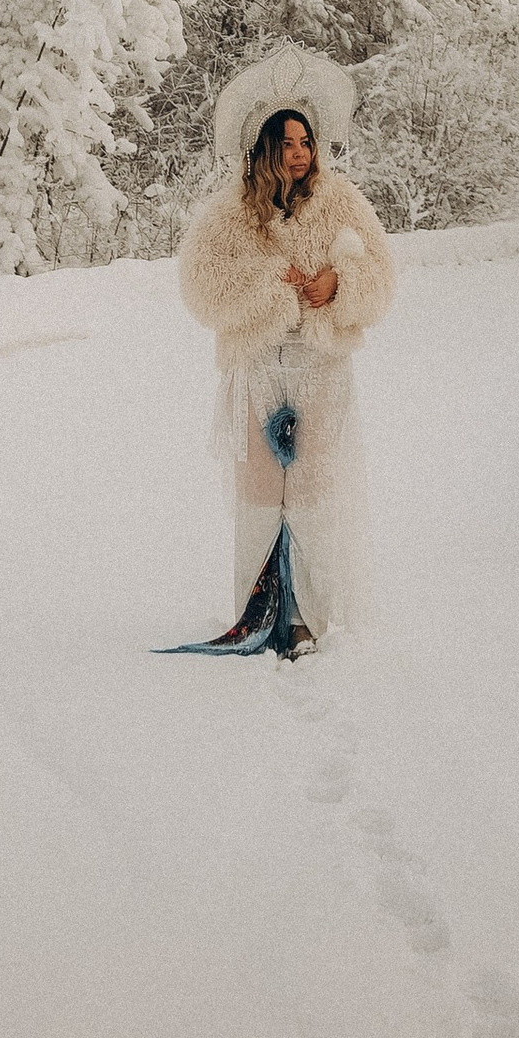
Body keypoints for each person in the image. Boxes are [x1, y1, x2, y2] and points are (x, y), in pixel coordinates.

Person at [167, 44, 396, 660]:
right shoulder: (231, 210)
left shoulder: (341, 199)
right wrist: (273, 282)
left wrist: (337, 285)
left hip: (321, 367)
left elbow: (381, 272)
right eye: (288, 143)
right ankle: (258, 610)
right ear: (265, 149)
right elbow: (200, 282)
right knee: (265, 490)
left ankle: (307, 617)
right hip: (259, 367)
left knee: (314, 488)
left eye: (307, 142)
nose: (300, 153)